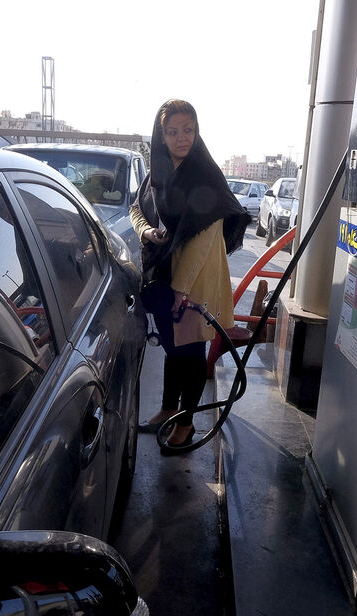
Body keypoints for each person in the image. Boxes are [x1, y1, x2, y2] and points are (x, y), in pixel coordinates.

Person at [130, 99, 248, 450]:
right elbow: (137, 209)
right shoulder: (158, 174)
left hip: (193, 285)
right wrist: (146, 232)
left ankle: (186, 424)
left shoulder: (206, 175)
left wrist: (181, 292)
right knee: (172, 351)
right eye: (172, 132)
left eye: (188, 130)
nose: (182, 138)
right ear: (161, 135)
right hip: (164, 279)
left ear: (197, 133)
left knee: (192, 354)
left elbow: (202, 242)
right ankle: (168, 409)